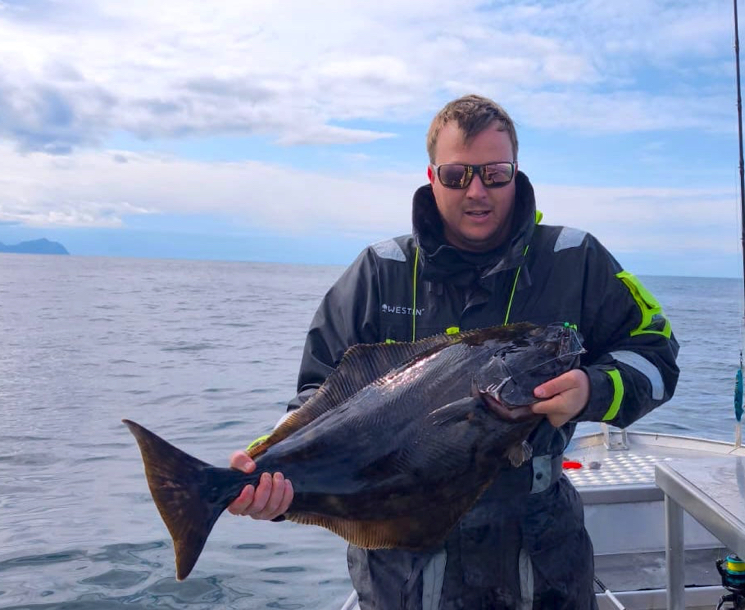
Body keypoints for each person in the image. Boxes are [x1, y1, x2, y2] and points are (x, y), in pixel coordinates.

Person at [227, 94, 680, 609]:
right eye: (457, 175)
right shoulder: (380, 272)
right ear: (432, 176)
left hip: (540, 564)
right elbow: (318, 394)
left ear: (516, 173)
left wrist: (591, 390)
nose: (477, 191)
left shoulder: (574, 259)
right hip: (404, 574)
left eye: (496, 174)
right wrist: (267, 468)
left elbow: (655, 354)